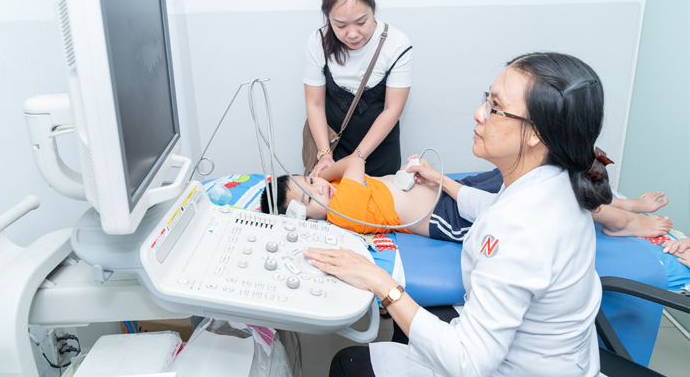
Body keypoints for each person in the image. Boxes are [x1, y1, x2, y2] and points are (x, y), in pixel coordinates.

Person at [303, 52, 613, 377]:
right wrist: (441, 180)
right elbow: (492, 207)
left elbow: (468, 363)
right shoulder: (554, 180)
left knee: (348, 363)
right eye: (486, 99)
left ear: (537, 134)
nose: (479, 113)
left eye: (495, 107)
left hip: (509, 368)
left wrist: (380, 281)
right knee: (411, 327)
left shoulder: (518, 228)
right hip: (558, 357)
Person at [260, 164, 672, 239]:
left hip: (450, 187)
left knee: (531, 175)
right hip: (447, 215)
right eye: (309, 197)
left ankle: (620, 204)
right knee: (536, 201)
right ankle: (619, 219)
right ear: (301, 217)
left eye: (311, 180)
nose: (320, 187)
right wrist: (329, 168)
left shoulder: (335, 192)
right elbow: (354, 160)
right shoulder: (341, 209)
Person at [304, 0, 413, 177]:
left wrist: (357, 157)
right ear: (328, 18)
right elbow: (315, 104)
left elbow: (392, 109)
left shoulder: (397, 44)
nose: (353, 34)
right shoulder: (318, 42)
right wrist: (325, 153)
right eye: (340, 25)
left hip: (379, 149)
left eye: (361, 22)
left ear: (374, 9)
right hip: (331, 149)